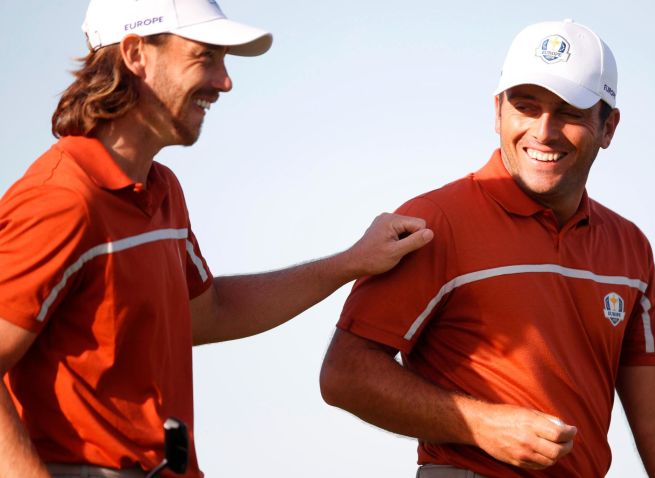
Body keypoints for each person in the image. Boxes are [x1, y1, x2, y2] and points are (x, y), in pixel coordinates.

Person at [0, 0, 433, 477]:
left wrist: (351, 262)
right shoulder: (60, 200)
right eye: (205, 56)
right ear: (135, 53)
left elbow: (209, 313)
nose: (225, 81)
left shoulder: (161, 188)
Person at [320, 19, 655, 478]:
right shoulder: (435, 222)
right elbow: (344, 373)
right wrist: (481, 424)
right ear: (497, 112)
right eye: (525, 107)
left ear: (609, 127)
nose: (543, 131)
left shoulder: (629, 247)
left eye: (569, 112)